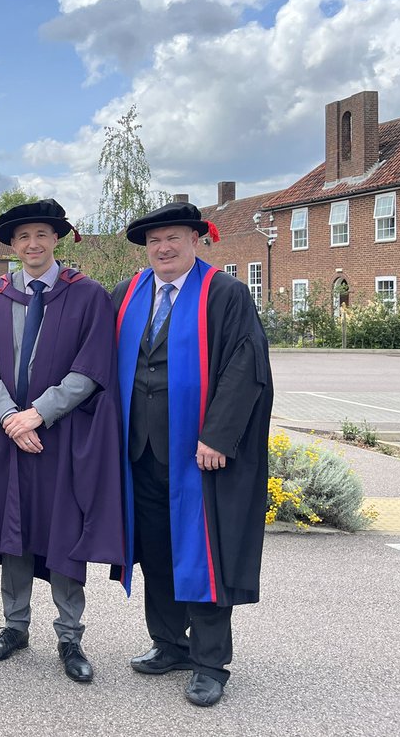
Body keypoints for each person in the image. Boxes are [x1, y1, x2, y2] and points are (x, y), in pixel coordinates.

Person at [0, 199, 124, 683]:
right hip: (10, 440)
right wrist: (9, 419)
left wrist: (37, 417)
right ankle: (14, 626)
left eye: (41, 234)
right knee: (12, 532)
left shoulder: (87, 296)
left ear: (56, 239)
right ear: (12, 245)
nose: (32, 244)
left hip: (61, 439)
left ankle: (69, 636)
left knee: (65, 533)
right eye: (23, 237)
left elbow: (90, 370)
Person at [113, 202, 273, 708]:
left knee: (203, 554)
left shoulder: (223, 293)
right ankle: (169, 643)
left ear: (196, 240)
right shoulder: (128, 293)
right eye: (155, 240)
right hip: (138, 449)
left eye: (174, 238)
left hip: (198, 453)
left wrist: (218, 436)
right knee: (156, 551)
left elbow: (244, 366)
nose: (163, 248)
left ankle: (210, 662)